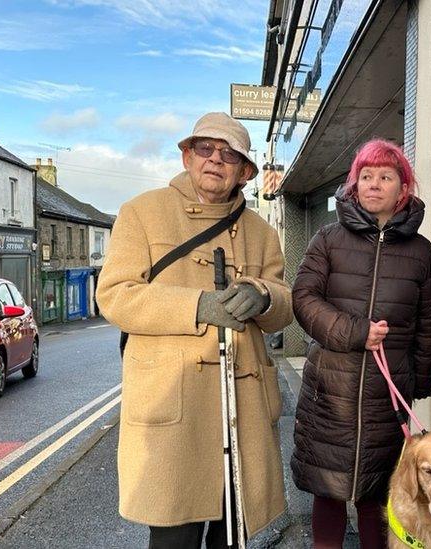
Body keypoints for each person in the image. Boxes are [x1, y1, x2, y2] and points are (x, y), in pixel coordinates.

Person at [96, 112, 293, 549]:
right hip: (175, 402)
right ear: (187, 156)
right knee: (174, 539)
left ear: (245, 172)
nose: (214, 160)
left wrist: (263, 296)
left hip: (242, 408)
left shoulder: (262, 232)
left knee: (233, 536)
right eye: (204, 149)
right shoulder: (142, 213)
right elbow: (114, 295)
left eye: (229, 155)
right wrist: (198, 305)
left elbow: (284, 308)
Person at [291, 139, 431, 549]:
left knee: (379, 490)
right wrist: (356, 331)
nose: (374, 184)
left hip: (386, 394)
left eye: (385, 177)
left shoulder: (421, 253)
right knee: (329, 487)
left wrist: (418, 385)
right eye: (366, 176)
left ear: (403, 188)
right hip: (331, 389)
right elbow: (304, 300)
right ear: (354, 185)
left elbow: (429, 325)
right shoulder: (327, 238)